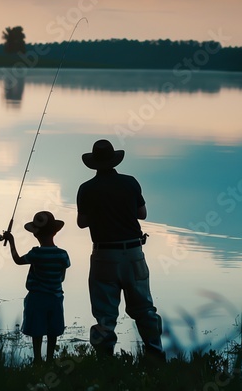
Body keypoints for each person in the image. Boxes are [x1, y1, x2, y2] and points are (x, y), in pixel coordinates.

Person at [76, 139, 163, 359]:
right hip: (133, 253)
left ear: (93, 163)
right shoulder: (130, 182)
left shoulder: (86, 189)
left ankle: (105, 361)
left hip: (104, 255)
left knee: (105, 316)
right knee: (144, 309)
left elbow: (82, 222)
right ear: (114, 160)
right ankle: (156, 355)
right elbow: (142, 214)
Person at [3, 210, 71, 363]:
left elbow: (18, 260)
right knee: (53, 331)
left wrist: (12, 241)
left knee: (37, 331)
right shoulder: (63, 255)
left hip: (37, 298)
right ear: (55, 232)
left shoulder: (35, 254)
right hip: (56, 298)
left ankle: (38, 360)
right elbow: (62, 277)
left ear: (35, 234)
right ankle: (50, 360)